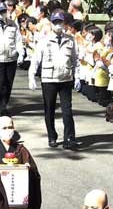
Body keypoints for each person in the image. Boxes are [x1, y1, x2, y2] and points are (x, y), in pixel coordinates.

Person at [30, 10, 80, 149]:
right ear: (51, 23)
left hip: (65, 78)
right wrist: (31, 76)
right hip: (49, 79)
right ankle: (52, 136)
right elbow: (36, 59)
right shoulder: (44, 41)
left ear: (64, 23)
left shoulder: (70, 40)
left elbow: (75, 60)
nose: (58, 25)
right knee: (49, 109)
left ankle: (69, 137)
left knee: (67, 110)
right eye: (55, 22)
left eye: (60, 22)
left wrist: (77, 76)